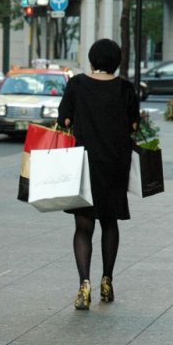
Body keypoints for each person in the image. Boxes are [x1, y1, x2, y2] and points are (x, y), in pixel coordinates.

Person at [57, 39, 139, 310]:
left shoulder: (77, 85)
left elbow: (64, 121)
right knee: (109, 223)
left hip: (83, 165)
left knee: (83, 227)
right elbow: (134, 125)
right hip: (114, 165)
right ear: (116, 61)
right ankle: (107, 279)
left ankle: (84, 282)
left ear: (92, 60)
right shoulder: (125, 88)